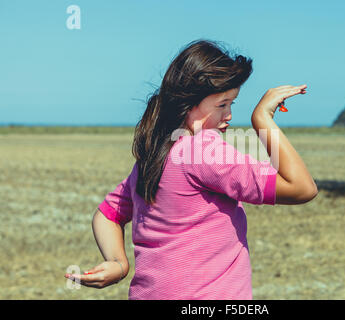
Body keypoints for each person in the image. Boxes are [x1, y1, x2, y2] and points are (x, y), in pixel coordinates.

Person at [64, 39, 318, 299]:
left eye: (232, 104)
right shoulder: (203, 151)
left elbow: (108, 214)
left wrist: (118, 263)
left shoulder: (153, 156)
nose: (229, 115)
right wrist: (263, 119)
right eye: (222, 105)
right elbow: (301, 187)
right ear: (187, 102)